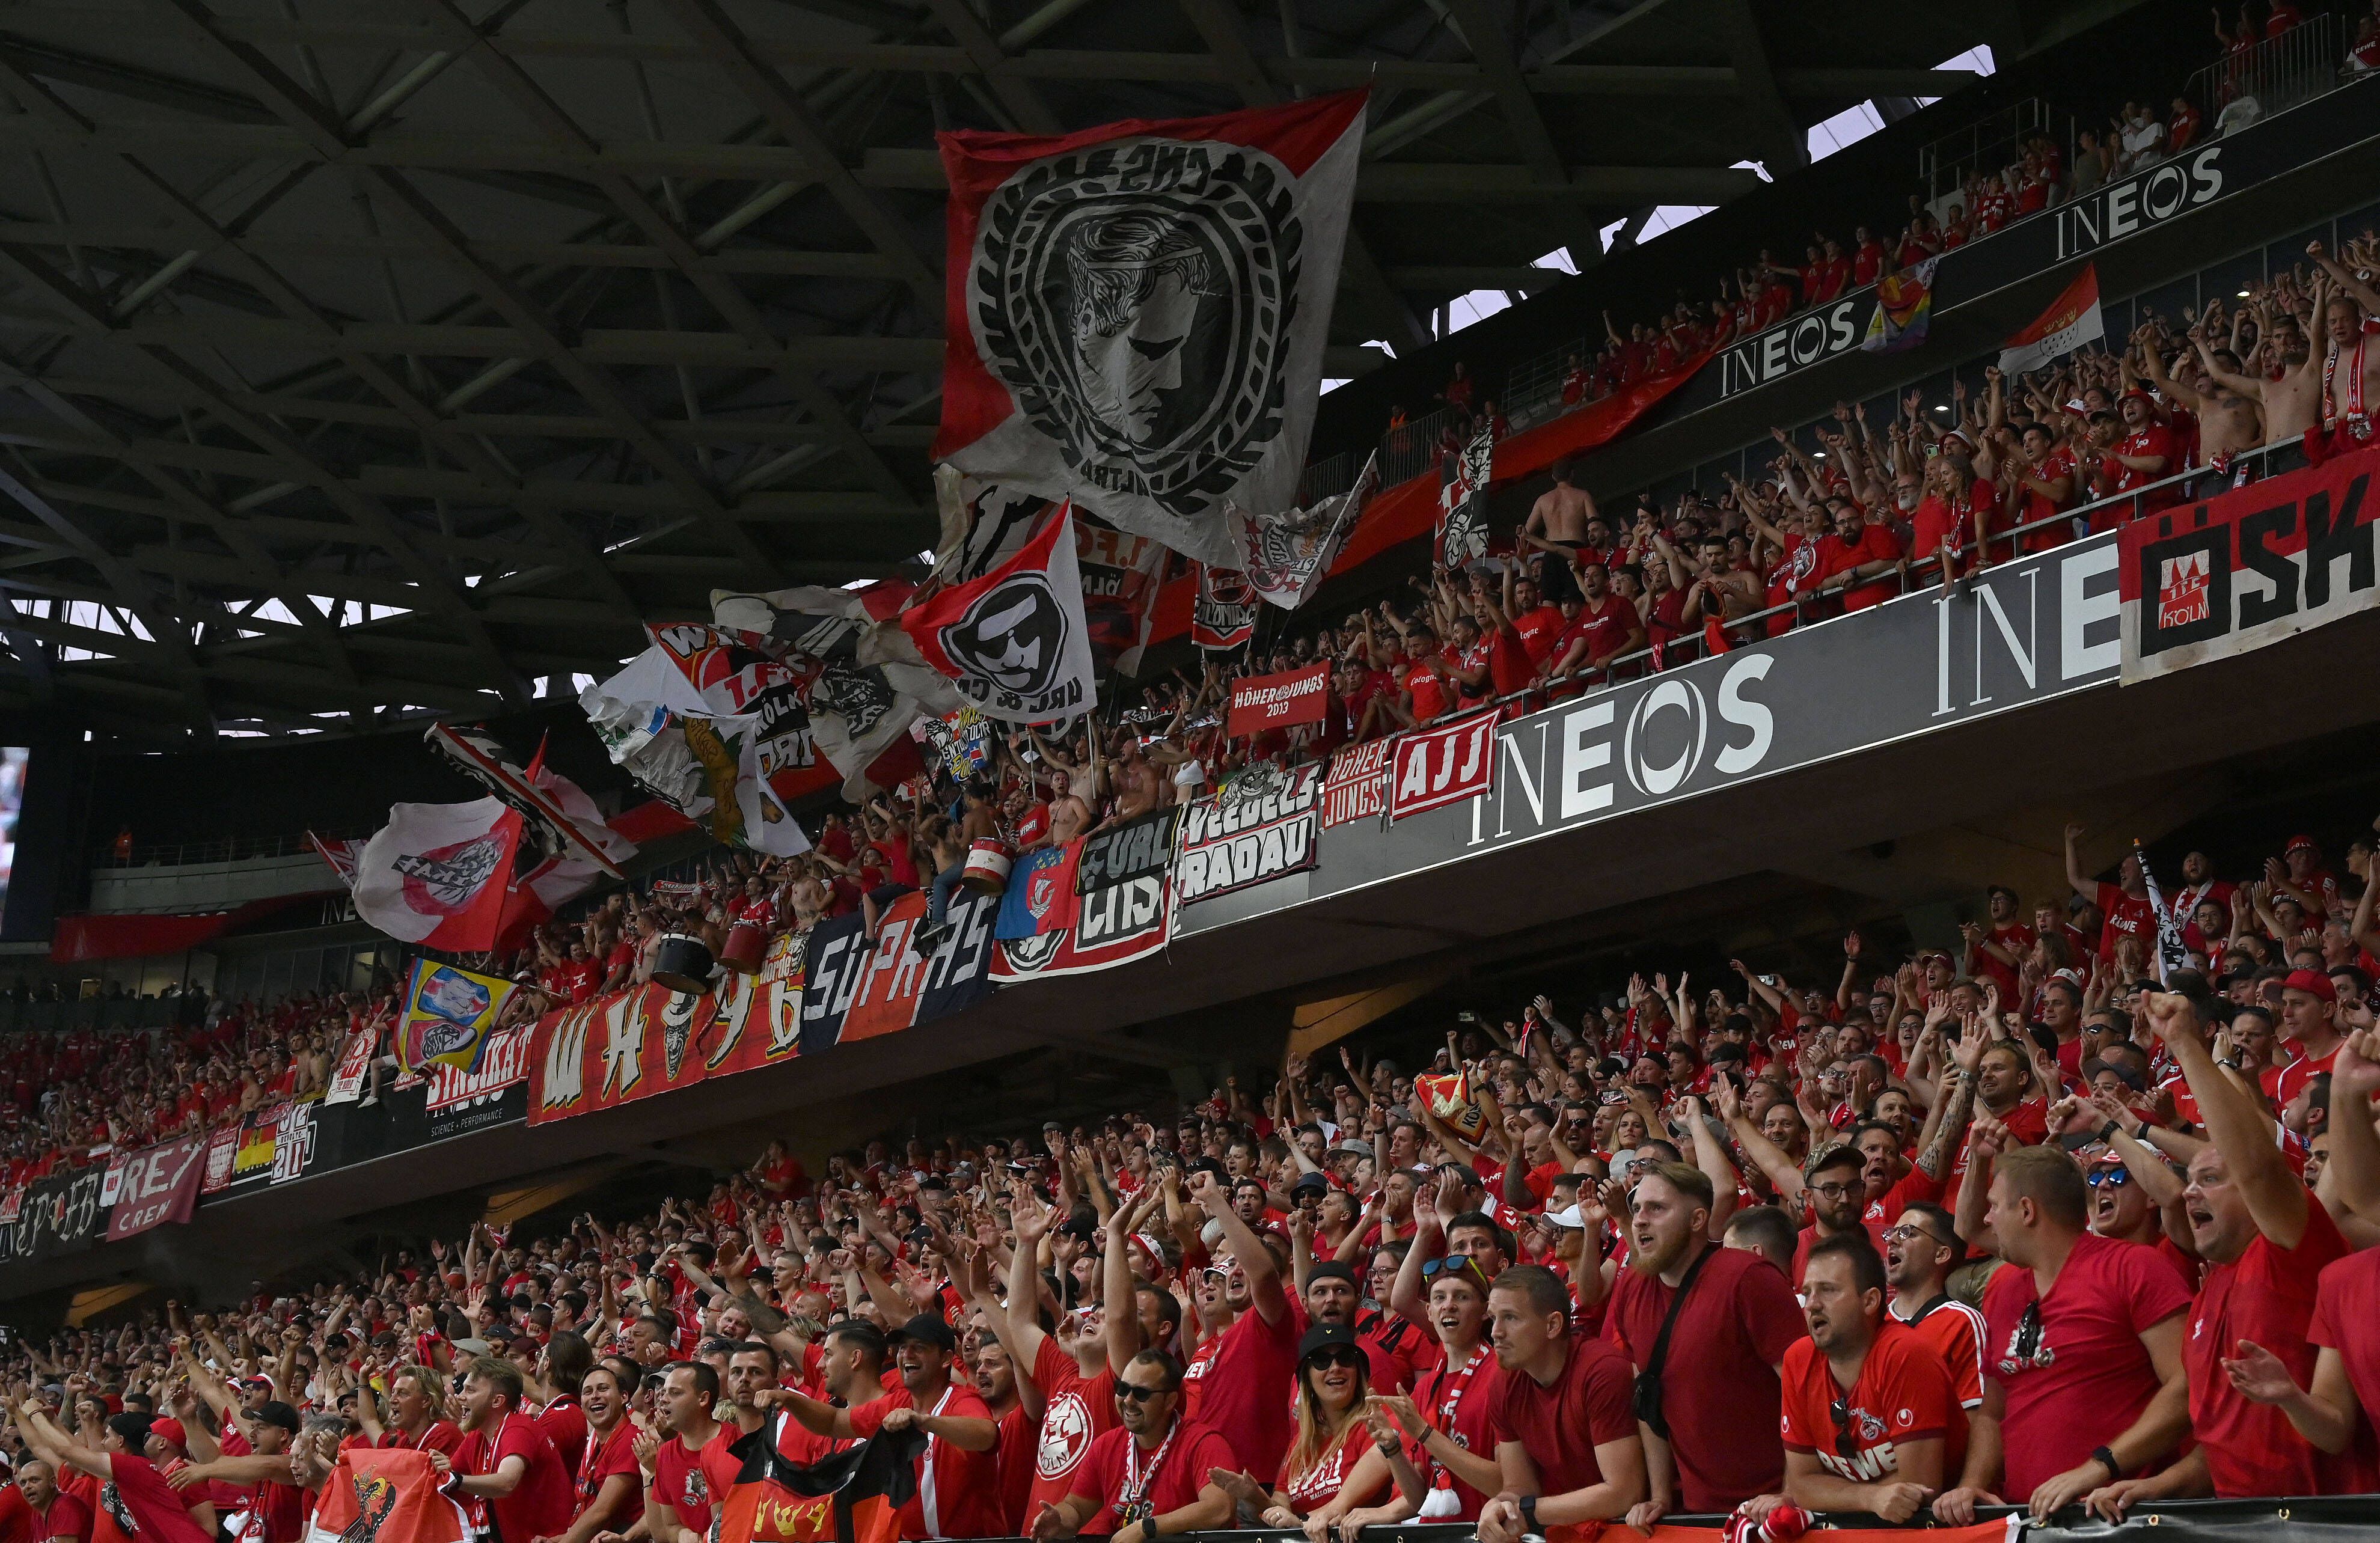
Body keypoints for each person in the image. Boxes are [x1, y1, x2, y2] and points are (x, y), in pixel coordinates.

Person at [2084, 991, 2361, 1512]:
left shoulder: (2292, 1247)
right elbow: (2223, 1448)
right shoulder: (2210, 1288)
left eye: (2209, 1179)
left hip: (2319, 1522)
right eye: (2191, 1180)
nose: (2189, 1191)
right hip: (2232, 1520)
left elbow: (2256, 1166)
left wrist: (2186, 1044)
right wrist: (2155, 1485)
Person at [1935, 1140, 2191, 1523]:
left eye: (1993, 1206)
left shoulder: (2135, 1267)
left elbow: (2187, 1386)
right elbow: (1993, 1410)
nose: (1987, 1220)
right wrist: (1972, 1483)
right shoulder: (2002, 1287)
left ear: (2026, 1211)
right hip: (2030, 1520)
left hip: (2121, 1519)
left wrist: (2098, 1467)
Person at [1602, 1164, 1803, 1526]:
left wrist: (1791, 1490)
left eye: (1657, 1209)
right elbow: (1646, 1399)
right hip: (1693, 1512)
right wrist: (1660, 1495)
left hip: (1769, 1506)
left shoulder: (1747, 1277)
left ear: (1697, 1219)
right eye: (1636, 1209)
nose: (1640, 1220)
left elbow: (1803, 1389)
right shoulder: (1632, 1287)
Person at [1755, 1235, 1961, 1524]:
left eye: (1828, 1291)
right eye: (1807, 1292)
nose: (1812, 1304)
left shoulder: (1906, 1355)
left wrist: (1830, 1492)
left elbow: (1919, 1488)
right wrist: (1871, 1498)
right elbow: (1801, 1485)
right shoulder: (1797, 1360)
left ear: (1871, 1301)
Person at [1473, 1265, 1644, 1543]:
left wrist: (1527, 1511)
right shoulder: (1504, 1384)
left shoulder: (1602, 1372)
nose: (1496, 1332)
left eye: (1510, 1318)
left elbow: (1624, 1493)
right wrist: (1499, 1506)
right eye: (1493, 1318)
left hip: (1633, 1532)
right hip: (1569, 1530)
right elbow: (1519, 1486)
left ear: (1553, 1325)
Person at [1211, 1323, 1420, 1530]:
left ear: (1358, 1371)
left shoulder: (1377, 1421)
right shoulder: (1300, 1445)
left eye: (1346, 1358)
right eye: (1322, 1361)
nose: (1336, 1367)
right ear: (1307, 1379)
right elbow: (1283, 1513)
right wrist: (1255, 1497)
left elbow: (1387, 1480)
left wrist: (1302, 1521)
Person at [1027, 1351, 1234, 1543]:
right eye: (1123, 1389)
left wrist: (1147, 1528)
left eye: (1141, 1393)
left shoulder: (1204, 1443)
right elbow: (1077, 1509)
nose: (1128, 1400)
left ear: (1170, 1400)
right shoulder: (1106, 1445)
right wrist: (1059, 1520)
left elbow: (1221, 1509)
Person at [10, 1406, 213, 1543]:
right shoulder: (132, 1471)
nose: (103, 1442)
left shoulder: (133, 1467)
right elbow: (53, 1448)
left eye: (108, 1436)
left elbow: (66, 1450)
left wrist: (34, 1414)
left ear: (120, 1441)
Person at [436, 1357, 575, 1543]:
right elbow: (449, 1474)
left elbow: (507, 1482)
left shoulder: (519, 1429)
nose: (460, 1396)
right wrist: (438, 1467)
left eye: (470, 1390)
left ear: (497, 1401)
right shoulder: (477, 1436)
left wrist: (454, 1479)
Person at [551, 1363, 640, 1543]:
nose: (595, 1396)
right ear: (581, 1406)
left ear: (624, 1397)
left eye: (603, 1389)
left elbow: (602, 1512)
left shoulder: (630, 1439)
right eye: (588, 1392)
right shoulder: (596, 1445)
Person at [14, 1461, 88, 1543]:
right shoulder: (37, 1514)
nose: (27, 1486)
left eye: (35, 1480)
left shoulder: (65, 1506)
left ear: (53, 1482)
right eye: (23, 1483)